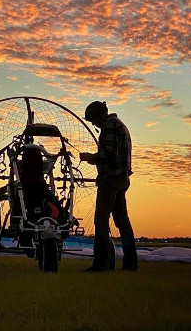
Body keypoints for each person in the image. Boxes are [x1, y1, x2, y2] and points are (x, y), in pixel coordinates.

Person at [79, 100, 138, 272]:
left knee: (101, 220)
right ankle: (130, 265)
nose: (94, 124)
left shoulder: (110, 125)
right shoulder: (121, 125)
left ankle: (101, 264)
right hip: (122, 179)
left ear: (100, 116)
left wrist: (90, 157)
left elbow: (109, 154)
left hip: (110, 180)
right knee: (122, 222)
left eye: (93, 120)